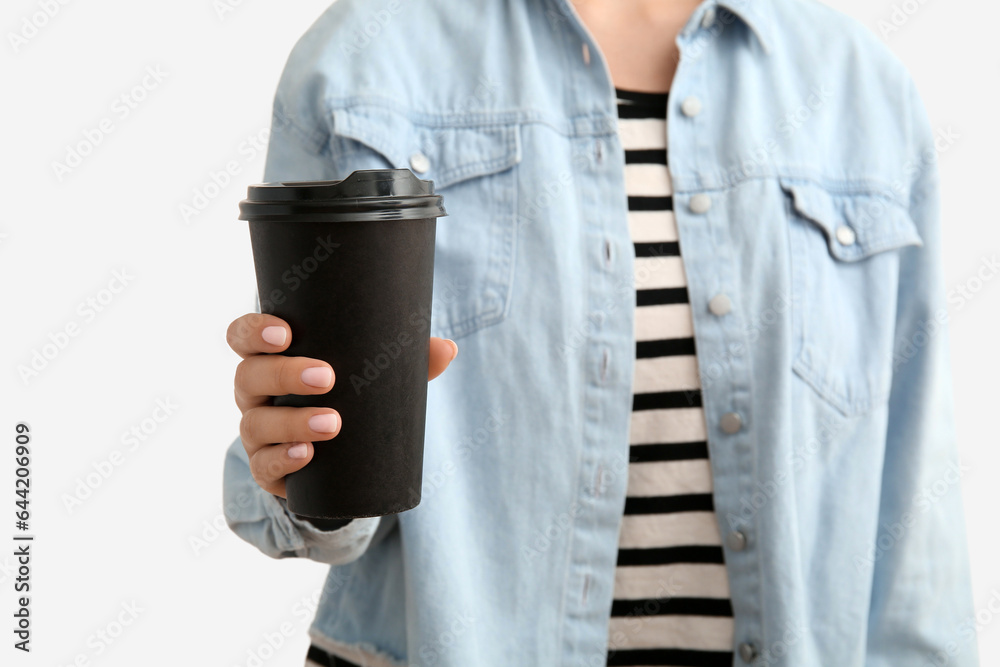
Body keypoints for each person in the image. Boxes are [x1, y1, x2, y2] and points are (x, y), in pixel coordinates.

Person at [223, 0, 979, 665]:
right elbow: (323, 492)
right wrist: (299, 457)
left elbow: (914, 497)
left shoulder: (861, 88)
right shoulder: (364, 58)